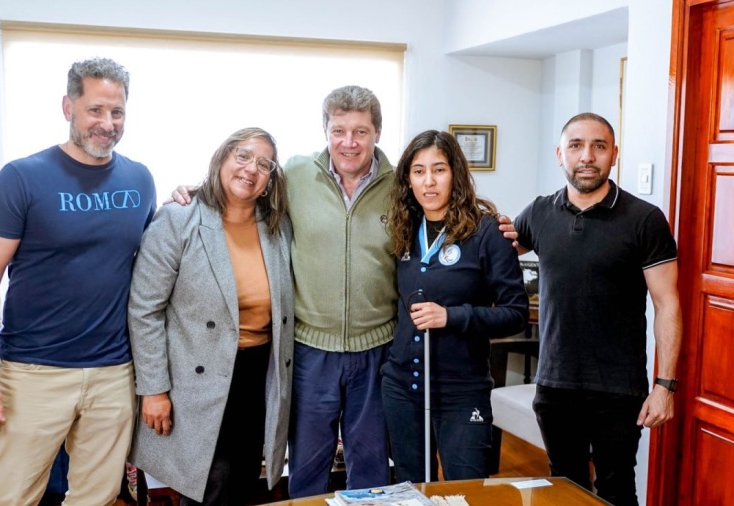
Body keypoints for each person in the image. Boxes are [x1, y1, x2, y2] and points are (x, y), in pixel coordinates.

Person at [171, 85, 395, 497]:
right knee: (307, 467)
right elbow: (242, 193)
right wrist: (194, 192)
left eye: (360, 131)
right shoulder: (294, 173)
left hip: (376, 350)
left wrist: (501, 226)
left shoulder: (399, 186)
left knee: (371, 466)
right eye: (339, 130)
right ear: (325, 131)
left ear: (377, 133)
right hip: (309, 349)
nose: (349, 142)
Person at [0, 57, 156, 505]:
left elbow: (151, 267)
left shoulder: (140, 179)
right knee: (10, 498)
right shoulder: (21, 178)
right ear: (68, 107)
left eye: (117, 112)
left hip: (113, 373)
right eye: (95, 110)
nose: (107, 124)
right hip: (33, 373)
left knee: (98, 498)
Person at [511, 112, 682, 506]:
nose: (587, 156)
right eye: (576, 146)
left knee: (617, 491)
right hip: (555, 384)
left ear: (614, 154)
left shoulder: (644, 220)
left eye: (598, 146)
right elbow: (493, 256)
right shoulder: (538, 213)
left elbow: (667, 303)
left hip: (618, 389)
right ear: (560, 154)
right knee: (562, 490)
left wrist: (665, 386)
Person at [127, 127, 293, 505]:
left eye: (264, 164)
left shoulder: (277, 226)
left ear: (270, 180)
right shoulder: (178, 219)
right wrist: (153, 388)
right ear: (222, 158)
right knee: (208, 485)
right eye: (243, 156)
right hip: (196, 378)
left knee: (243, 481)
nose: (252, 169)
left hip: (257, 375)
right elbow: (144, 309)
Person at [382, 130, 529, 483]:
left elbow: (516, 313)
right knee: (411, 492)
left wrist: (452, 316)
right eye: (418, 171)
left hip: (461, 392)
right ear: (407, 178)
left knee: (468, 491)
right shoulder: (402, 228)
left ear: (456, 174)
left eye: (439, 169)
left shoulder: (487, 232)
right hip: (402, 388)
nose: (429, 182)